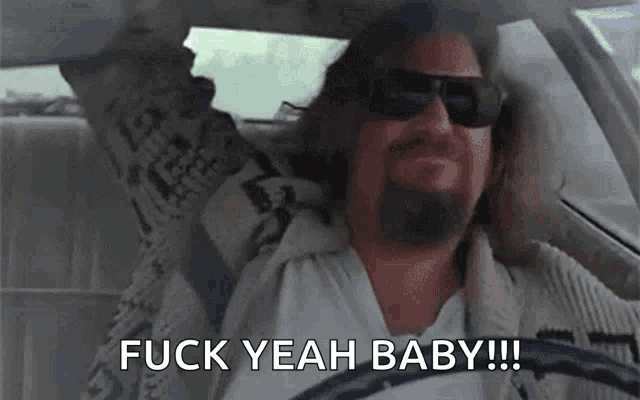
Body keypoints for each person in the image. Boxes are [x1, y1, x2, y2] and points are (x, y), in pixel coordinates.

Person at [60, 2, 639, 400]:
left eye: (469, 101)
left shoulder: (560, 309)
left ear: (497, 144)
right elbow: (104, 43)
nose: (438, 121)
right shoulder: (235, 219)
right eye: (403, 92)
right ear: (347, 121)